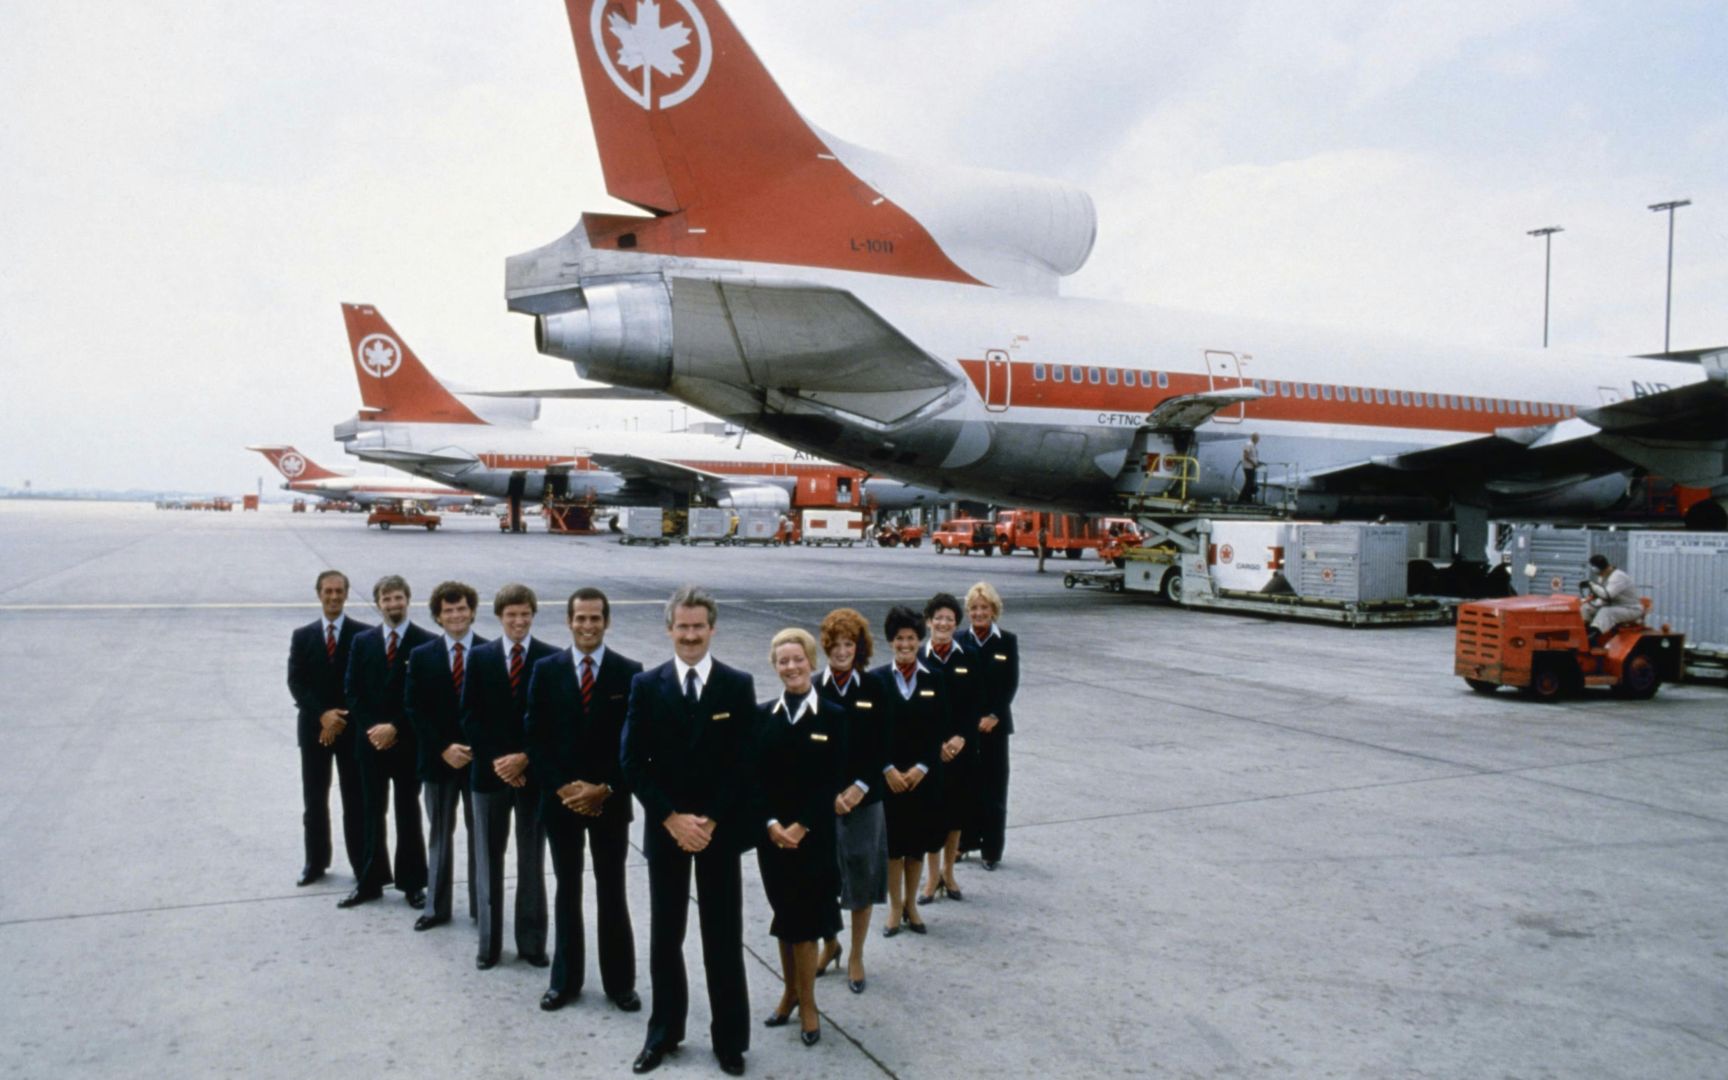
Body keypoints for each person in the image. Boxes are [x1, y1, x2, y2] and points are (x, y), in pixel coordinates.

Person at [621, 586, 758, 1077]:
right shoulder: (646, 685)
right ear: (669, 629)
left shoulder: (736, 685)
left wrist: (711, 819)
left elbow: (744, 762)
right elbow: (631, 761)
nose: (691, 635)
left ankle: (730, 1040)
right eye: (683, 626)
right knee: (666, 936)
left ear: (712, 628)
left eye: (699, 626)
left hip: (718, 831)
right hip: (668, 828)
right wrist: (671, 818)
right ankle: (663, 1033)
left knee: (723, 937)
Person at [524, 587, 643, 1014]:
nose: (588, 626)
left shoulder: (630, 673)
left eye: (595, 618)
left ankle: (620, 983)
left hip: (609, 801)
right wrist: (563, 788)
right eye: (580, 618)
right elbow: (535, 737)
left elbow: (635, 744)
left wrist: (605, 788)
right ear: (569, 621)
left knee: (612, 890)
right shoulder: (545, 670)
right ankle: (565, 981)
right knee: (567, 889)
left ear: (606, 621)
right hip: (562, 802)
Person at [756, 628, 847, 1047]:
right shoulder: (762, 716)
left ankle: (808, 1004)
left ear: (812, 662)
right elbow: (754, 779)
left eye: (798, 659)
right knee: (785, 916)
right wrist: (771, 823)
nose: (791, 667)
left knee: (806, 921)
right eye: (783, 661)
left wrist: (802, 825)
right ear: (775, 666)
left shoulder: (834, 716)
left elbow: (832, 779)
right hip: (773, 838)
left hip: (814, 837)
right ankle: (790, 993)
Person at [461, 584, 557, 970]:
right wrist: (500, 761)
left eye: (525, 614)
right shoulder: (479, 657)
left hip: (532, 777)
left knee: (532, 860)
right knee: (488, 861)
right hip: (489, 775)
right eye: (511, 615)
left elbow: (554, 722)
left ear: (533, 615)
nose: (519, 621)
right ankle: (489, 945)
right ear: (499, 617)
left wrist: (525, 760)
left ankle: (532, 944)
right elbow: (470, 715)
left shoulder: (550, 658)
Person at [340, 574, 431, 909]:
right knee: (370, 812)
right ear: (378, 604)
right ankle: (370, 881)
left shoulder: (425, 642)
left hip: (407, 745)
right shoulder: (362, 642)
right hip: (370, 744)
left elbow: (424, 697)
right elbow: (352, 690)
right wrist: (373, 729)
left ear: (408, 600)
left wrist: (395, 727)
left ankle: (413, 883)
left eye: (398, 598)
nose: (393, 604)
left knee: (408, 813)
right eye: (387, 599)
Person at [814, 608, 890, 994]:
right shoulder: (813, 687)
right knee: (821, 877)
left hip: (866, 797)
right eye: (836, 645)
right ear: (826, 647)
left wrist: (860, 786)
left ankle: (857, 955)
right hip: (824, 800)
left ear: (860, 649)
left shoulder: (874, 687)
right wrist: (829, 793)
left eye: (850, 644)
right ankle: (830, 943)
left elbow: (883, 744)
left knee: (862, 874)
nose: (842, 651)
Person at [405, 580, 487, 932]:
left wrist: (475, 748)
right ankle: (436, 907)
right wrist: (443, 748)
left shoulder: (489, 652)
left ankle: (482, 907)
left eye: (462, 608)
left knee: (481, 837)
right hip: (438, 762)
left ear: (472, 611)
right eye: (448, 610)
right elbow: (415, 708)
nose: (456, 615)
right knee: (439, 834)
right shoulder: (422, 655)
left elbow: (496, 711)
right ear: (438, 616)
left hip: (478, 762)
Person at [286, 570, 372, 888]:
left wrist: (338, 719)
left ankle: (361, 864)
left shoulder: (363, 635)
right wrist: (322, 715)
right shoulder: (302, 636)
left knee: (355, 800)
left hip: (350, 731)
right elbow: (296, 682)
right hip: (314, 730)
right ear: (318, 593)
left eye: (339, 591)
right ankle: (315, 862)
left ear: (346, 594)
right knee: (314, 799)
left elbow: (364, 683)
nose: (334, 597)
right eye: (328, 591)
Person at [872, 606, 946, 936]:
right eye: (899, 638)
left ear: (920, 640)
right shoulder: (876, 680)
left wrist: (921, 767)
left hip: (922, 779)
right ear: (891, 641)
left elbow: (939, 728)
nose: (905, 644)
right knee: (893, 848)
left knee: (916, 846)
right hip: (889, 779)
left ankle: (911, 905)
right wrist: (887, 768)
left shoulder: (934, 678)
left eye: (912, 638)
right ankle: (894, 908)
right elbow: (869, 733)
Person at [918, 592, 975, 903]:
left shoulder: (968, 657)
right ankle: (931, 878)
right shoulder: (917, 657)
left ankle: (948, 873)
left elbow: (975, 703)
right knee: (931, 816)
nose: (943, 624)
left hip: (960, 749)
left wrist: (961, 737)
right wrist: (934, 744)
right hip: (930, 751)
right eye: (938, 618)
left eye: (949, 619)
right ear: (929, 622)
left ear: (956, 624)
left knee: (955, 814)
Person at [960, 581, 1019, 871]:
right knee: (966, 786)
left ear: (994, 610)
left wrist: (995, 714)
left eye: (984, 607)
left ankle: (991, 849)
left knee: (995, 788)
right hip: (967, 726)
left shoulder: (1007, 641)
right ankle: (964, 842)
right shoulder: (960, 640)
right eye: (974, 608)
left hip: (996, 727)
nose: (979, 613)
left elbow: (1011, 682)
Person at [1582, 554, 1640, 642]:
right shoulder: (1603, 577)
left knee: (1606, 612)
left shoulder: (1618, 576)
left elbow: (1607, 595)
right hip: (1614, 605)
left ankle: (1592, 637)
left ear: (1596, 569)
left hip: (1629, 608)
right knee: (1586, 608)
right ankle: (1584, 631)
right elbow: (1602, 597)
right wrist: (1590, 602)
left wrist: (1592, 585)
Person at [1240, 433, 1262, 504]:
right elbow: (1246, 456)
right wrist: (1253, 463)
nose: (1258, 440)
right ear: (1254, 438)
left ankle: (1248, 500)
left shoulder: (1253, 445)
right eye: (1257, 438)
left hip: (1251, 467)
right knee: (1249, 483)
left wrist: (1256, 463)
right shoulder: (1249, 444)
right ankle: (1241, 499)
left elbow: (1253, 456)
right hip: (1248, 467)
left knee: (1250, 483)